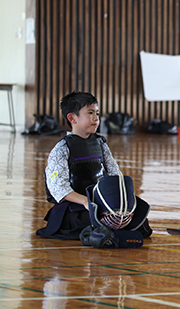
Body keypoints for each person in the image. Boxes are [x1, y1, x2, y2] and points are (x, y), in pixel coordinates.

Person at [37, 92, 151, 240]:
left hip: (100, 202)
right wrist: (86, 202)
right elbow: (59, 188)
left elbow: (114, 175)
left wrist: (120, 204)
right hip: (76, 206)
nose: (96, 118)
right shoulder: (61, 149)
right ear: (72, 118)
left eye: (97, 113)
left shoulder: (101, 144)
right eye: (90, 113)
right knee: (87, 222)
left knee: (139, 221)